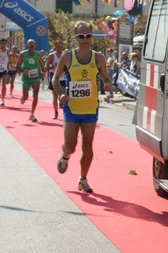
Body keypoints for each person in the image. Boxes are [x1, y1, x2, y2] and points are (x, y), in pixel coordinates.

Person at [52, 20, 112, 193]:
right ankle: (65, 156)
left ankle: (83, 179)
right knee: (71, 145)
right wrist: (61, 93)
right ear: (76, 37)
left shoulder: (98, 58)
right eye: (81, 36)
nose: (85, 39)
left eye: (88, 36)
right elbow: (55, 79)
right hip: (71, 108)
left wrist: (108, 85)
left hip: (90, 108)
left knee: (88, 147)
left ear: (92, 37)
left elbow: (106, 78)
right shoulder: (67, 57)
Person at [16, 39, 45, 121]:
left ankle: (32, 114)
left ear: (35, 45)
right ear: (27, 45)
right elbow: (17, 66)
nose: (31, 45)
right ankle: (23, 97)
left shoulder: (38, 54)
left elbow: (41, 65)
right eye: (30, 43)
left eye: (33, 43)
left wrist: (42, 72)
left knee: (35, 95)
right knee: (26, 97)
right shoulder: (23, 54)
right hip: (26, 78)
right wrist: (22, 70)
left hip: (36, 77)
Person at [45, 40, 66, 119]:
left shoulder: (65, 55)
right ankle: (55, 112)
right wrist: (52, 66)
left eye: (61, 46)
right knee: (55, 96)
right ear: (55, 47)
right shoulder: (51, 55)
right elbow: (46, 66)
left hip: (63, 77)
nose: (59, 48)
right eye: (58, 46)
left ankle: (64, 112)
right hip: (54, 77)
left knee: (63, 95)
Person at [0, 38, 10, 105]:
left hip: (5, 70)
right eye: (1, 44)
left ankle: (3, 99)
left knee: (4, 84)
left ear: (6, 44)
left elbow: (9, 60)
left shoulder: (7, 51)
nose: (3, 45)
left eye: (4, 44)